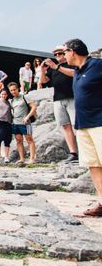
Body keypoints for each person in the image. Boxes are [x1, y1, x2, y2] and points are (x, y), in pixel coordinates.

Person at [60, 39, 102, 216]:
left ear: (73, 51)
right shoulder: (77, 71)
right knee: (93, 164)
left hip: (99, 122)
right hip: (83, 124)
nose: (63, 56)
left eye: (64, 52)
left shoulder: (97, 65)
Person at [40, 45, 78, 163]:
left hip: (72, 97)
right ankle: (73, 152)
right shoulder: (53, 69)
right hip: (58, 99)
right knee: (65, 126)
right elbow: (44, 81)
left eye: (60, 54)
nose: (58, 56)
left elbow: (74, 73)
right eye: (55, 55)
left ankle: (83, 150)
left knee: (76, 126)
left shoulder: (71, 64)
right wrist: (42, 71)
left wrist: (56, 67)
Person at [7, 82, 37, 164]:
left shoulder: (25, 97)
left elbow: (34, 107)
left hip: (25, 122)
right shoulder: (12, 100)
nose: (13, 92)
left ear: (18, 89)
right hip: (15, 123)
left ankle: (32, 158)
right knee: (18, 141)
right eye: (11, 90)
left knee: (29, 139)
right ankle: (22, 159)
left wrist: (27, 116)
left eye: (14, 90)